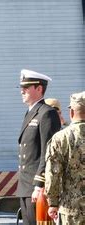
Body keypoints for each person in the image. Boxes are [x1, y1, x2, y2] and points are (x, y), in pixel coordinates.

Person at [16, 69, 61, 225]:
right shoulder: (31, 112)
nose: (22, 91)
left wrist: (39, 185)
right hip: (25, 185)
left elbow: (47, 153)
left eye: (26, 87)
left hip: (36, 187)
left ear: (39, 89)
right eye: (21, 87)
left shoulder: (47, 113)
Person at [45, 91, 85, 225]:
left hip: (70, 209)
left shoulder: (60, 138)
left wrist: (52, 203)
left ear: (72, 112)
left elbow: (53, 173)